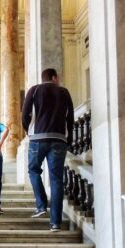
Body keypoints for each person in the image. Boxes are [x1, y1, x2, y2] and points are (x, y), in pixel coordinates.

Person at [21, 68, 74, 232]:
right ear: (54, 77)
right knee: (56, 180)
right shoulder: (64, 92)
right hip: (59, 139)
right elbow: (70, 117)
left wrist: (28, 131)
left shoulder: (34, 90)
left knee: (33, 170)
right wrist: (69, 138)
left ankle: (42, 205)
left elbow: (25, 114)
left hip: (38, 138)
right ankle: (55, 223)